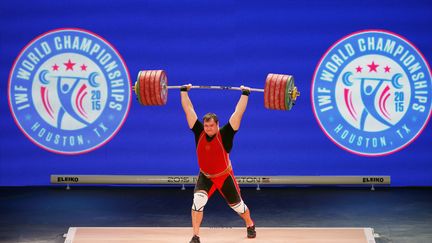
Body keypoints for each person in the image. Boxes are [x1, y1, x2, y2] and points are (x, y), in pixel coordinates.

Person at [180, 84, 256, 243]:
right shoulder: (199, 131)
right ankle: (195, 236)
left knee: (238, 206)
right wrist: (183, 91)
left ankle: (250, 224)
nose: (207, 128)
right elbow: (189, 110)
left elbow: (238, 113)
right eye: (206, 125)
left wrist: (245, 94)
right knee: (197, 202)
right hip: (205, 176)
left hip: (224, 176)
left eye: (211, 126)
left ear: (217, 125)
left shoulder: (226, 134)